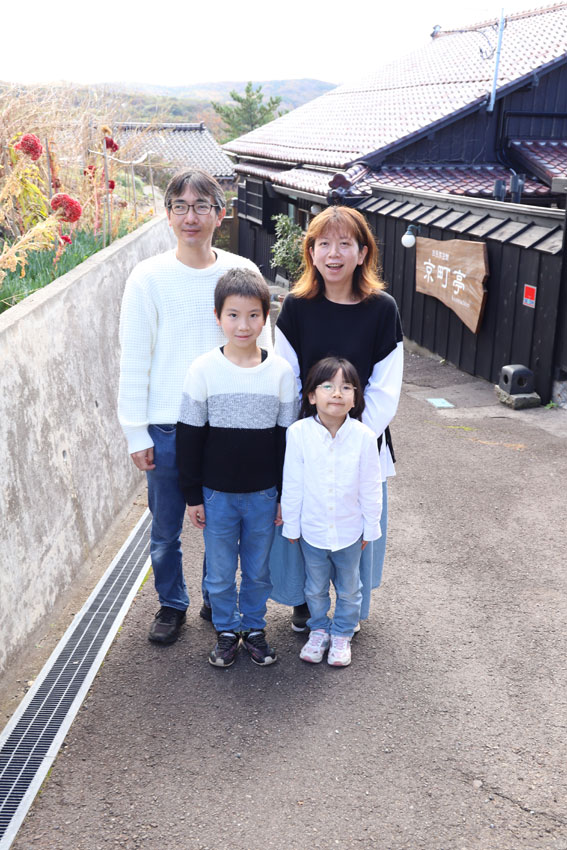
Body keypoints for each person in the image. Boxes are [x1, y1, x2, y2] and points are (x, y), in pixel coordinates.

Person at [118, 168, 272, 646]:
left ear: (220, 215)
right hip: (166, 425)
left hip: (228, 425)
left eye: (202, 206)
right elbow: (134, 358)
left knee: (220, 524)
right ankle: (171, 604)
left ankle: (214, 595)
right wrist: (135, 431)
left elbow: (261, 349)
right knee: (166, 528)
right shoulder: (147, 277)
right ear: (167, 215)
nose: (191, 216)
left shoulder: (241, 271)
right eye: (181, 207)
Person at [270, 205, 403, 630]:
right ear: (311, 252)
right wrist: (309, 435)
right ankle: (304, 603)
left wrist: (351, 437)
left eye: (345, 244)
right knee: (305, 517)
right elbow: (287, 382)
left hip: (363, 441)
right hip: (307, 440)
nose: (333, 253)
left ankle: (349, 609)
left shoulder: (382, 309)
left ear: (362, 253)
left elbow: (384, 389)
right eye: (323, 243)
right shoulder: (296, 307)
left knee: (354, 523)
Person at [176, 268, 298, 667]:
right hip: (217, 496)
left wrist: (283, 495)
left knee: (259, 570)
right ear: (218, 317)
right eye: (233, 315)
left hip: (264, 495)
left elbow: (286, 442)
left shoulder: (280, 372)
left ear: (266, 317)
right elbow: (189, 438)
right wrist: (193, 495)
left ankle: (255, 629)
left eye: (252, 315)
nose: (243, 325)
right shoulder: (203, 369)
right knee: (220, 570)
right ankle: (227, 631)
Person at [281, 357, 381, 667]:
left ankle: (342, 633)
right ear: (312, 396)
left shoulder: (364, 437)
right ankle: (319, 630)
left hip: (350, 532)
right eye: (327, 386)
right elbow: (292, 483)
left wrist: (371, 527)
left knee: (350, 588)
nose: (337, 393)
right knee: (314, 587)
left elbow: (370, 487)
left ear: (355, 397)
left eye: (346, 387)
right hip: (312, 531)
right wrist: (291, 526)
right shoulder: (298, 433)